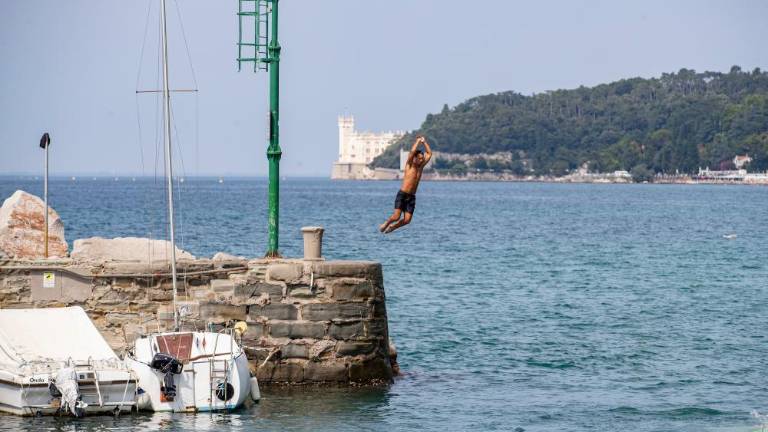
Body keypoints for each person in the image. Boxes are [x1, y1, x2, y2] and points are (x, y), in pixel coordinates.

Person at [379, 135, 432, 234]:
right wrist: (417, 141)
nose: (421, 160)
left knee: (407, 220)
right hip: (403, 194)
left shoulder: (420, 167)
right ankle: (386, 223)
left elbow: (429, 153)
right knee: (396, 217)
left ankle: (393, 227)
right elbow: (412, 152)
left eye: (422, 159)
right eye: (419, 158)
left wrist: (424, 142)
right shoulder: (409, 165)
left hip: (411, 197)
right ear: (415, 158)